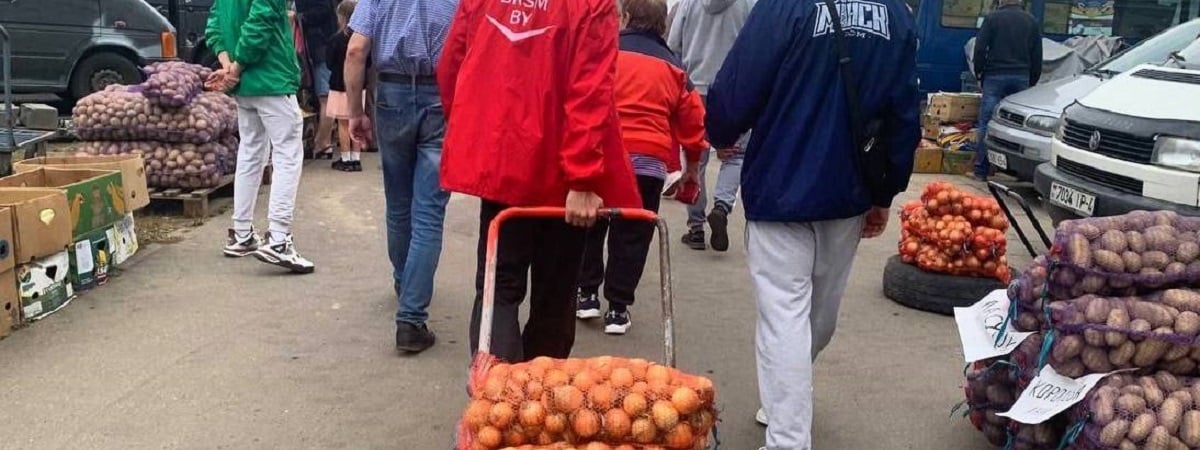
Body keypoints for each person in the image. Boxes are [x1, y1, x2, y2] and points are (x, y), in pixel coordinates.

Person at [704, 0, 920, 446]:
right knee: (820, 314)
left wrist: (720, 130)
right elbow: (904, 114)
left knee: (786, 316)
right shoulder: (895, 15)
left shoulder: (785, 5)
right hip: (848, 192)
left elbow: (739, 84)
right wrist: (884, 192)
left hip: (779, 185)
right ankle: (787, 405)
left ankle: (787, 435)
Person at [438, 0, 642, 363]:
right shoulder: (592, 4)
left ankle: (497, 403)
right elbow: (590, 90)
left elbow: (453, 63)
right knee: (554, 295)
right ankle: (538, 406)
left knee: (498, 289)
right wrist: (582, 178)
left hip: (503, 164)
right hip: (560, 180)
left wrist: (477, 132)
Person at [574, 0, 708, 335]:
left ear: (626, 18)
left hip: (604, 156)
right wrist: (692, 166)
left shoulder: (607, 52)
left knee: (590, 225)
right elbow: (694, 124)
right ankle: (618, 309)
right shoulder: (675, 69)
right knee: (633, 235)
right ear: (663, 26)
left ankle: (586, 293)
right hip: (649, 163)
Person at [344, 0, 456, 354]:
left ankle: (403, 280)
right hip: (440, 96)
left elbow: (356, 50)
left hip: (390, 93)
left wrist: (355, 113)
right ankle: (411, 318)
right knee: (429, 211)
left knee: (398, 203)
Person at [207, 0, 315, 274]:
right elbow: (262, 20)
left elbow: (214, 25)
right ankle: (278, 239)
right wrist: (238, 67)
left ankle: (241, 233)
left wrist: (229, 65)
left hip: (245, 85)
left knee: (251, 154)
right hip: (271, 78)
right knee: (288, 155)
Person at [667, 0, 754, 252]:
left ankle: (696, 227)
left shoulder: (688, 4)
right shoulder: (749, 4)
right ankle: (722, 207)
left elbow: (674, 46)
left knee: (696, 159)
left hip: (695, 87)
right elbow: (756, 44)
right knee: (736, 156)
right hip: (734, 88)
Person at [972, 0, 1042, 181]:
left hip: (995, 77)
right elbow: (1037, 55)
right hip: (1021, 77)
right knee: (1017, 127)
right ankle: (1016, 171)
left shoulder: (992, 19)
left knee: (987, 123)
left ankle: (981, 170)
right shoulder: (1031, 21)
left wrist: (979, 74)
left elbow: (979, 49)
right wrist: (1032, 81)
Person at [295, 0, 340, 159]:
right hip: (322, 48)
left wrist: (300, 17)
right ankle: (324, 142)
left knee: (325, 98)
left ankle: (322, 143)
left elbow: (323, 10)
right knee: (325, 98)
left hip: (321, 48)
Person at [325, 0, 365, 172]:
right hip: (359, 86)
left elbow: (328, 63)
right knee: (356, 121)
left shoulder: (335, 39)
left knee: (343, 123)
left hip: (338, 85)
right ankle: (356, 158)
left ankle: (345, 157)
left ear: (340, 17)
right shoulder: (361, 38)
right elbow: (367, 63)